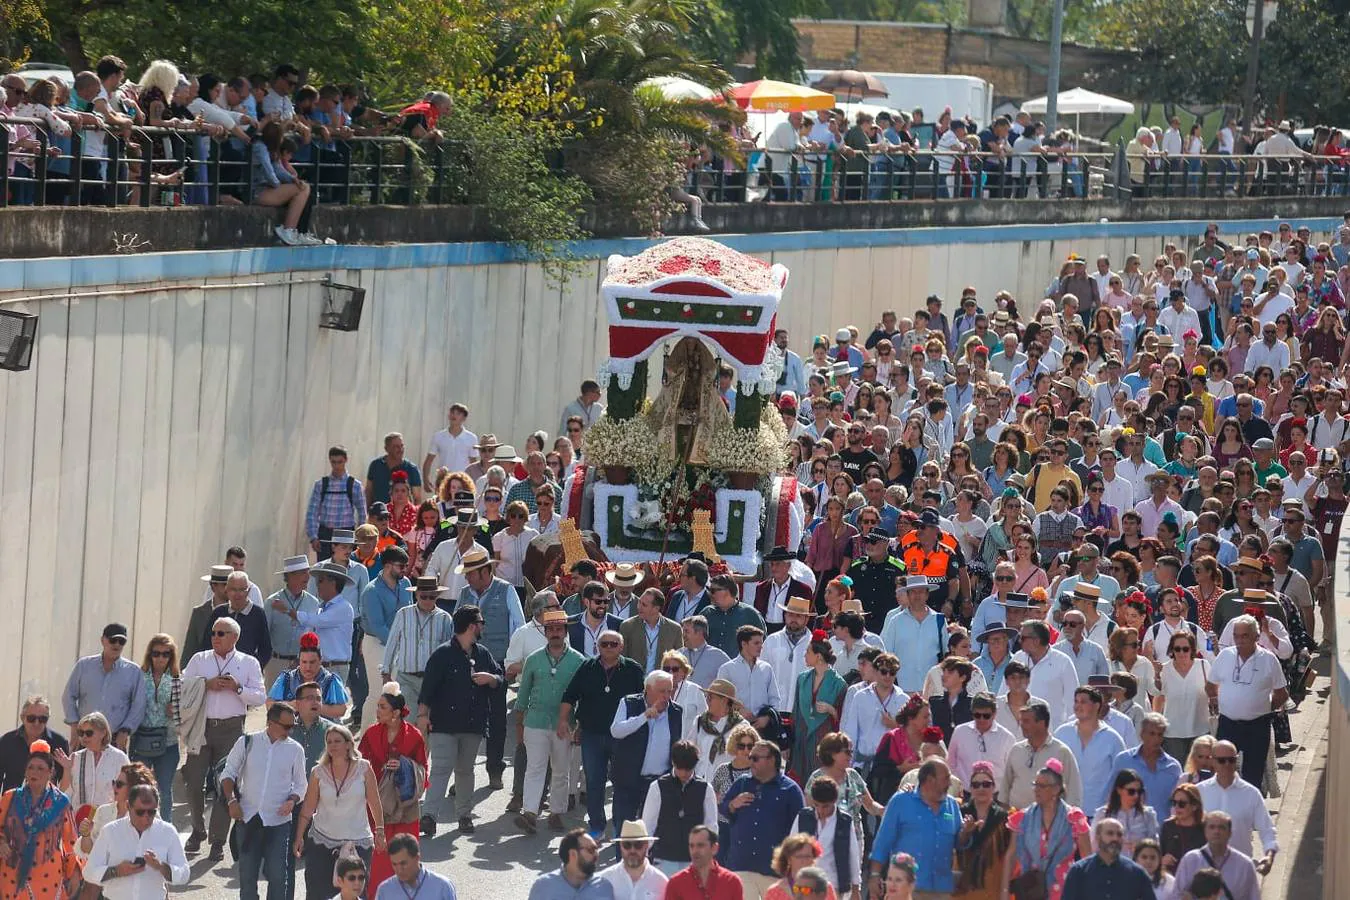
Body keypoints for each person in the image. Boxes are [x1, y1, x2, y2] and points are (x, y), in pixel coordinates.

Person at [180, 615, 266, 858]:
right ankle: (197, 831)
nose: (215, 637)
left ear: (235, 637)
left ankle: (217, 841)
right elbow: (182, 686)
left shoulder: (248, 662)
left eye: (221, 633)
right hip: (201, 726)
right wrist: (206, 684)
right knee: (194, 781)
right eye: (214, 633)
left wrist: (237, 688)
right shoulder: (199, 659)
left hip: (231, 728)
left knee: (224, 784)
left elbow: (260, 697)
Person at [417, 605, 503, 836]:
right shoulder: (442, 654)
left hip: (472, 725)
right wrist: (423, 716)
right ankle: (429, 816)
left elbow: (500, 679)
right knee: (441, 769)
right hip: (443, 724)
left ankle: (464, 815)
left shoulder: (482, 654)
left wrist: (491, 678)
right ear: (472, 626)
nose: (483, 626)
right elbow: (427, 690)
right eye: (481, 623)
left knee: (465, 771)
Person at [219, 703, 307, 900]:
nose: (289, 731)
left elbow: (302, 785)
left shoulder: (295, 750)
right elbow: (228, 773)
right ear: (270, 722)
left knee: (278, 877)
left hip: (278, 823)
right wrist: (232, 801)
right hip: (248, 820)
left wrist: (292, 800)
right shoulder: (246, 742)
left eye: (292, 726)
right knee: (247, 877)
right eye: (285, 726)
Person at [562, 627, 643, 839]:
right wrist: (564, 721)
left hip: (623, 737)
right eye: (604, 644)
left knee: (621, 782)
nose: (608, 648)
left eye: (613, 644)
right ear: (597, 647)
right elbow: (570, 695)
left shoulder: (633, 669)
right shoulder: (587, 667)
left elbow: (643, 701)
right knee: (594, 782)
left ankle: (619, 825)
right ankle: (596, 825)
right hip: (592, 734)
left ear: (622, 647)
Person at [293, 724, 386, 900]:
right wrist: (299, 837)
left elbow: (375, 802)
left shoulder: (364, 768)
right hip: (322, 842)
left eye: (337, 741)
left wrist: (380, 830)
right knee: (317, 893)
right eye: (329, 742)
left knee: (355, 893)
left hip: (357, 843)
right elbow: (307, 809)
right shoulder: (317, 772)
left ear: (349, 744)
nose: (333, 745)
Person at [516, 609, 584, 834]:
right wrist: (520, 725)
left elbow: (582, 699)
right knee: (535, 768)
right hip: (535, 722)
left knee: (561, 770)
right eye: (551, 629)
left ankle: (556, 813)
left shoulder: (578, 661)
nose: (555, 633)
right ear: (545, 633)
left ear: (565, 632)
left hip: (564, 725)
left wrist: (579, 726)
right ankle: (530, 813)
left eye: (559, 629)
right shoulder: (534, 659)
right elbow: (522, 694)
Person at [359, 684, 428, 894]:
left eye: (382, 707)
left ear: (396, 713)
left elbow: (423, 771)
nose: (377, 711)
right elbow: (359, 765)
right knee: (378, 861)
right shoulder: (371, 734)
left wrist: (404, 766)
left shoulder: (414, 736)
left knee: (404, 859)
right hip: (377, 807)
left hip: (405, 808)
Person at [1207, 616, 1287, 791]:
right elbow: (1210, 685)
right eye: (1236, 636)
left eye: (1245, 636)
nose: (1240, 640)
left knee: (1253, 777)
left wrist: (1264, 708)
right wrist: (1223, 703)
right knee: (1222, 774)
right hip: (1228, 724)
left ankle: (1250, 814)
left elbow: (1282, 693)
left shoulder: (1269, 659)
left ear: (1256, 636)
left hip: (1257, 726)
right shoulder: (1225, 656)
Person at [720, 741, 806, 898]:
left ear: (772, 760)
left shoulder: (790, 790)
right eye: (750, 757)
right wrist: (733, 804)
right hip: (741, 865)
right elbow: (723, 809)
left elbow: (801, 830)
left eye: (755, 758)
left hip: (775, 871)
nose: (750, 761)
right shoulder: (741, 784)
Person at [868, 757, 961, 898]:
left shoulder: (952, 805)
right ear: (930, 780)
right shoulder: (900, 801)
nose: (950, 783)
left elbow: (960, 842)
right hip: (906, 889)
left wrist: (967, 833)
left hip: (941, 890)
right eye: (946, 778)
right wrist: (875, 875)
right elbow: (882, 842)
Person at [610, 670, 683, 849]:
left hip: (658, 782)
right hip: (628, 779)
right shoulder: (629, 703)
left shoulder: (676, 711)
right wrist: (645, 716)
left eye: (670, 691)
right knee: (624, 831)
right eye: (662, 691)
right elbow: (616, 731)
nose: (667, 696)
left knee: (651, 833)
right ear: (648, 689)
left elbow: (676, 743)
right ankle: (623, 871)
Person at [0, 740, 80, 899]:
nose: (34, 772)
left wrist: (75, 874)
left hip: (48, 876)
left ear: (51, 772)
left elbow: (71, 842)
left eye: (40, 768)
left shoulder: (61, 802)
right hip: (12, 873)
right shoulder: (11, 797)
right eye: (30, 768)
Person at [1001, 760, 1092, 900]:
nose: (1036, 789)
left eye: (1042, 786)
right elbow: (1011, 855)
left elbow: (1088, 859)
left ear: (1056, 789)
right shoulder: (1023, 818)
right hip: (1031, 891)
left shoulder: (1074, 818)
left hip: (1065, 891)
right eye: (1035, 785)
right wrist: (1005, 891)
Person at [83, 783, 190, 900]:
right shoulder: (110, 831)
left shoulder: (167, 832)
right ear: (128, 806)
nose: (146, 817)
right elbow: (89, 872)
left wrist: (161, 866)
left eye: (151, 812)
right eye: (140, 812)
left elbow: (184, 873)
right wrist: (116, 871)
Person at [62, 622, 146, 751]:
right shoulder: (84, 666)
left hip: (115, 739)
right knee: (80, 771)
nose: (117, 645)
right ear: (103, 640)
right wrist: (74, 724)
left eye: (121, 641)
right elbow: (68, 696)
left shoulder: (133, 672)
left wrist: (125, 730)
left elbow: (138, 705)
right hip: (84, 736)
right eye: (113, 640)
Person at [1194, 740, 1277, 871]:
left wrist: (1269, 855)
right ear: (1212, 761)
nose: (1227, 764)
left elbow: (1267, 829)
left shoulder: (1251, 793)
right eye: (1222, 760)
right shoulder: (1199, 791)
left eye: (1231, 760)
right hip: (1205, 870)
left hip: (1240, 870)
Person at [641, 740, 717, 876]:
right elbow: (648, 824)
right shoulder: (657, 787)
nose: (683, 774)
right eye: (680, 768)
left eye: (688, 769)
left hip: (695, 861)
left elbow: (711, 825)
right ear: (673, 763)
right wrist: (644, 855)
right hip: (663, 859)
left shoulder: (706, 789)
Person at [381, 575, 455, 710]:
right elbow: (392, 643)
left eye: (431, 597)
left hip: (434, 680)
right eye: (423, 596)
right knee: (409, 721)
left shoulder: (445, 619)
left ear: (437, 596)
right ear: (416, 595)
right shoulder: (403, 614)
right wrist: (386, 672)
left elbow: (449, 652)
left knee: (430, 721)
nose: (427, 600)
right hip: (407, 678)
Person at [999, 700, 1084, 816]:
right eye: (1021, 721)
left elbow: (1073, 792)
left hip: (1049, 824)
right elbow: (1005, 788)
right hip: (1016, 823)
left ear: (1042, 723)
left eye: (1026, 721)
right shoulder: (1016, 750)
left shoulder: (1061, 752)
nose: (1021, 725)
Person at [130, 634, 181, 822]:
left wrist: (176, 710)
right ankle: (138, 824)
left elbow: (186, 715)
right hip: (142, 740)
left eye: (165, 654)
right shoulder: (139, 677)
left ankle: (165, 828)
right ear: (149, 655)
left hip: (168, 743)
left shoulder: (177, 680)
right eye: (156, 653)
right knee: (139, 787)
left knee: (164, 789)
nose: (160, 658)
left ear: (171, 656)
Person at [791, 630, 847, 782]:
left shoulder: (839, 684)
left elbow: (842, 720)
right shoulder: (802, 678)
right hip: (802, 738)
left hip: (823, 739)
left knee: (821, 782)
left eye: (808, 652)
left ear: (819, 656)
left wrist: (831, 710)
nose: (805, 655)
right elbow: (796, 711)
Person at [792, 776, 859, 899]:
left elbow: (853, 856)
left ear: (834, 802)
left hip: (834, 885)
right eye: (817, 805)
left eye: (825, 806)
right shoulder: (803, 817)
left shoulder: (844, 822)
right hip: (805, 886)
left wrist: (855, 889)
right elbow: (791, 850)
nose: (820, 810)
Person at [952, 760, 1010, 900]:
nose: (981, 789)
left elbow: (1008, 855)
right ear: (970, 788)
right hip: (963, 885)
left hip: (992, 883)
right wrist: (965, 832)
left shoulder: (1004, 817)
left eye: (986, 784)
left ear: (994, 787)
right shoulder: (959, 813)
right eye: (976, 785)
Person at [1173, 811, 1261, 900]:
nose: (1216, 831)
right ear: (1205, 831)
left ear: (1230, 833)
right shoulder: (1190, 860)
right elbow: (1177, 895)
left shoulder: (1245, 865)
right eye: (1212, 827)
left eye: (1222, 827)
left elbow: (1254, 896)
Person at [1061, 817, 1155, 899]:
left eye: (1119, 835)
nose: (1115, 838)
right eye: (1110, 833)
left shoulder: (1137, 874)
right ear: (1098, 837)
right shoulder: (1079, 871)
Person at [267, 632, 349, 720]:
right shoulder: (286, 678)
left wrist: (316, 707)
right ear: (299, 660)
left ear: (320, 661)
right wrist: (292, 705)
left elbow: (341, 710)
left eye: (312, 662)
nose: (308, 667)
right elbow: (269, 704)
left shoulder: (330, 680)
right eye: (304, 662)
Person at [0, 696, 69, 794]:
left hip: (46, 805)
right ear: (22, 718)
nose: (37, 723)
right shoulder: (7, 741)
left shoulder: (59, 742)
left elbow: (66, 779)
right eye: (31, 718)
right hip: (12, 804)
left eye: (42, 719)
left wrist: (57, 802)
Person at [948, 692, 1016, 786]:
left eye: (986, 716)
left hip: (995, 795)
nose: (981, 719)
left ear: (994, 714)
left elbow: (1012, 771)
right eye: (977, 715)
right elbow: (951, 763)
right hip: (965, 793)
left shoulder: (1007, 738)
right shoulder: (960, 732)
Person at [527, 827, 612, 899]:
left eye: (597, 849)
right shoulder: (543, 886)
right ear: (573, 854)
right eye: (591, 850)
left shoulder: (604, 886)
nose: (596, 854)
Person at [665, 825, 743, 900]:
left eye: (700, 845)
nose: (695, 851)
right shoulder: (676, 884)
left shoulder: (732, 882)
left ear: (714, 848)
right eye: (692, 846)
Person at [1093, 769, 1159, 855]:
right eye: (1131, 791)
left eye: (1139, 792)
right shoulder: (1103, 814)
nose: (1136, 795)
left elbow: (1155, 845)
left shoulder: (1148, 815)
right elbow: (1093, 844)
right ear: (1119, 790)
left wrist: (1142, 846)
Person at [596, 819, 668, 899]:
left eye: (638, 845)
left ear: (646, 845)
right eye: (627, 845)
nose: (632, 850)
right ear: (620, 846)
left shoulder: (661, 882)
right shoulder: (605, 879)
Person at [374, 834, 460, 900]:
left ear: (417, 858)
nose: (399, 870)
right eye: (394, 864)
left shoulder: (442, 887)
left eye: (403, 863)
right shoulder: (385, 890)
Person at [764, 833, 837, 900]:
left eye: (808, 856)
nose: (804, 860)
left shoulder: (825, 888)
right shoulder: (776, 891)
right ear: (789, 859)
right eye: (799, 856)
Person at [1159, 783, 1205, 874]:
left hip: (1197, 880)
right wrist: (1163, 860)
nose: (1176, 807)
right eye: (1174, 803)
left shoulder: (1204, 828)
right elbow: (1158, 855)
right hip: (1172, 878)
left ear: (1194, 806)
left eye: (1182, 804)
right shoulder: (1168, 826)